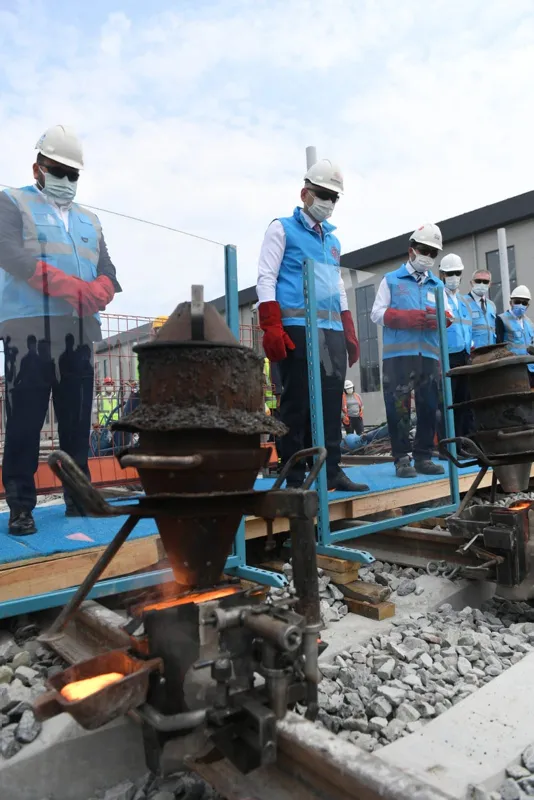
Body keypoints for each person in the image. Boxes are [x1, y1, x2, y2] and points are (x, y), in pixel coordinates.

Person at [0, 125, 121, 534]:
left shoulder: (90, 220)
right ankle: (20, 505)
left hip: (79, 331)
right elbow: (10, 254)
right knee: (25, 420)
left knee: (76, 422)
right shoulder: (12, 202)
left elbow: (108, 270)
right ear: (38, 167)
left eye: (73, 174)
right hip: (28, 328)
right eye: (58, 171)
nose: (66, 181)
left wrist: (100, 290)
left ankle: (78, 499)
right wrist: (70, 287)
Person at [256, 159, 368, 492]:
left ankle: (331, 470)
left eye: (334, 197)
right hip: (296, 327)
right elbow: (266, 277)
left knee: (331, 403)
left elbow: (336, 284)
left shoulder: (332, 241)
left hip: (330, 332)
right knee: (298, 403)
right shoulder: (282, 228)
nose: (328, 202)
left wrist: (348, 328)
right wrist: (271, 325)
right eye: (322, 194)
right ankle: (292, 473)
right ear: (305, 193)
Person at [371, 223, 451, 479]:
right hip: (398, 357)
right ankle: (402, 459)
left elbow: (447, 315)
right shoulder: (392, 280)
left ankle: (423, 457)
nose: (428, 257)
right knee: (399, 408)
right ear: (411, 250)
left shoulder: (437, 286)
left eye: (433, 253)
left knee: (429, 407)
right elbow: (376, 313)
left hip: (428, 356)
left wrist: (441, 319)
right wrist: (403, 317)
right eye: (424, 250)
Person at [439, 254, 473, 438]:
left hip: (464, 355)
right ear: (442, 274)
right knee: (447, 403)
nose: (453, 277)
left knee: (463, 401)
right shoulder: (437, 296)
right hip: (446, 357)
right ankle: (448, 445)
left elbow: (468, 328)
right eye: (450, 273)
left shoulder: (463, 301)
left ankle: (460, 443)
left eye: (457, 272)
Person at [497, 285, 534, 387]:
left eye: (524, 303)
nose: (520, 305)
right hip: (513, 368)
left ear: (528, 305)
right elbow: (499, 345)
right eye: (517, 301)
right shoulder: (501, 319)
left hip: (530, 368)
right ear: (511, 303)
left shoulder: (529, 323)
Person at [464, 269, 496, 349]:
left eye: (485, 282)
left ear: (490, 284)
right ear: (471, 283)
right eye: (478, 281)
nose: (481, 284)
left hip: (490, 352)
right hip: (473, 353)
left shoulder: (491, 305)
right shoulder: (463, 302)